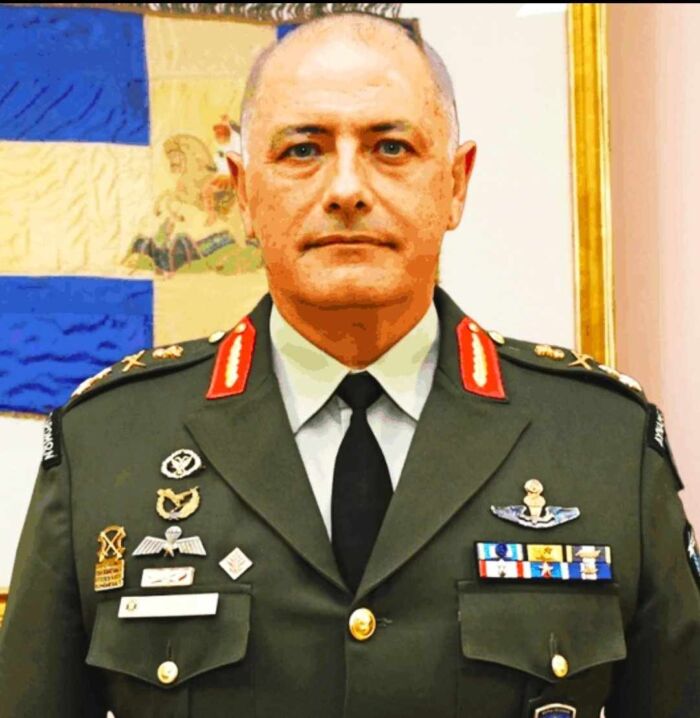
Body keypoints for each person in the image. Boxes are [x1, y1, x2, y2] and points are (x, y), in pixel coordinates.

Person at [1, 11, 698, 718]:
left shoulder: (602, 442)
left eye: (390, 147)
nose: (345, 189)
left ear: (455, 183)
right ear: (243, 191)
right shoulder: (108, 444)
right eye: (302, 150)